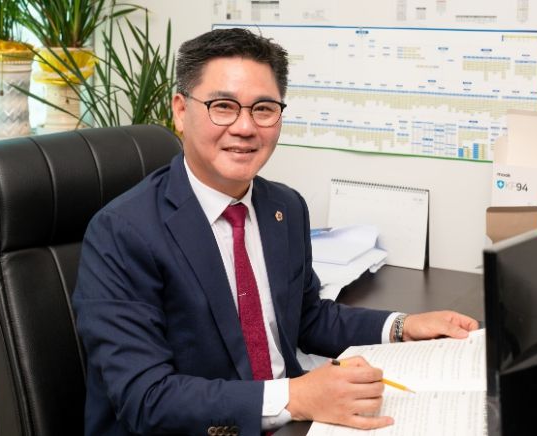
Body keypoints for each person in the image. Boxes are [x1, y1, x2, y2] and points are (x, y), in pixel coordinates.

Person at [72, 27, 478, 435]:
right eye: (223, 106)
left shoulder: (283, 207)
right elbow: (145, 398)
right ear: (181, 111)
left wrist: (403, 327)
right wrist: (296, 395)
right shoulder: (122, 232)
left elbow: (307, 318)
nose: (245, 127)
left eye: (263, 109)